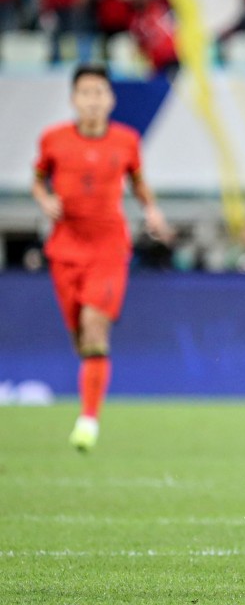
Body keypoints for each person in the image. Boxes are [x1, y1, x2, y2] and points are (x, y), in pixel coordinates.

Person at [32, 64, 170, 451]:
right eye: (86, 93)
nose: (93, 100)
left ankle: (88, 420)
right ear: (74, 99)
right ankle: (90, 398)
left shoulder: (126, 141)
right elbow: (38, 179)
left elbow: (139, 182)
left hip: (109, 249)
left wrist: (152, 211)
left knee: (96, 327)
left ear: (110, 99)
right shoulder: (53, 140)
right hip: (64, 249)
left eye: (99, 93)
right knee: (81, 340)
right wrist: (45, 200)